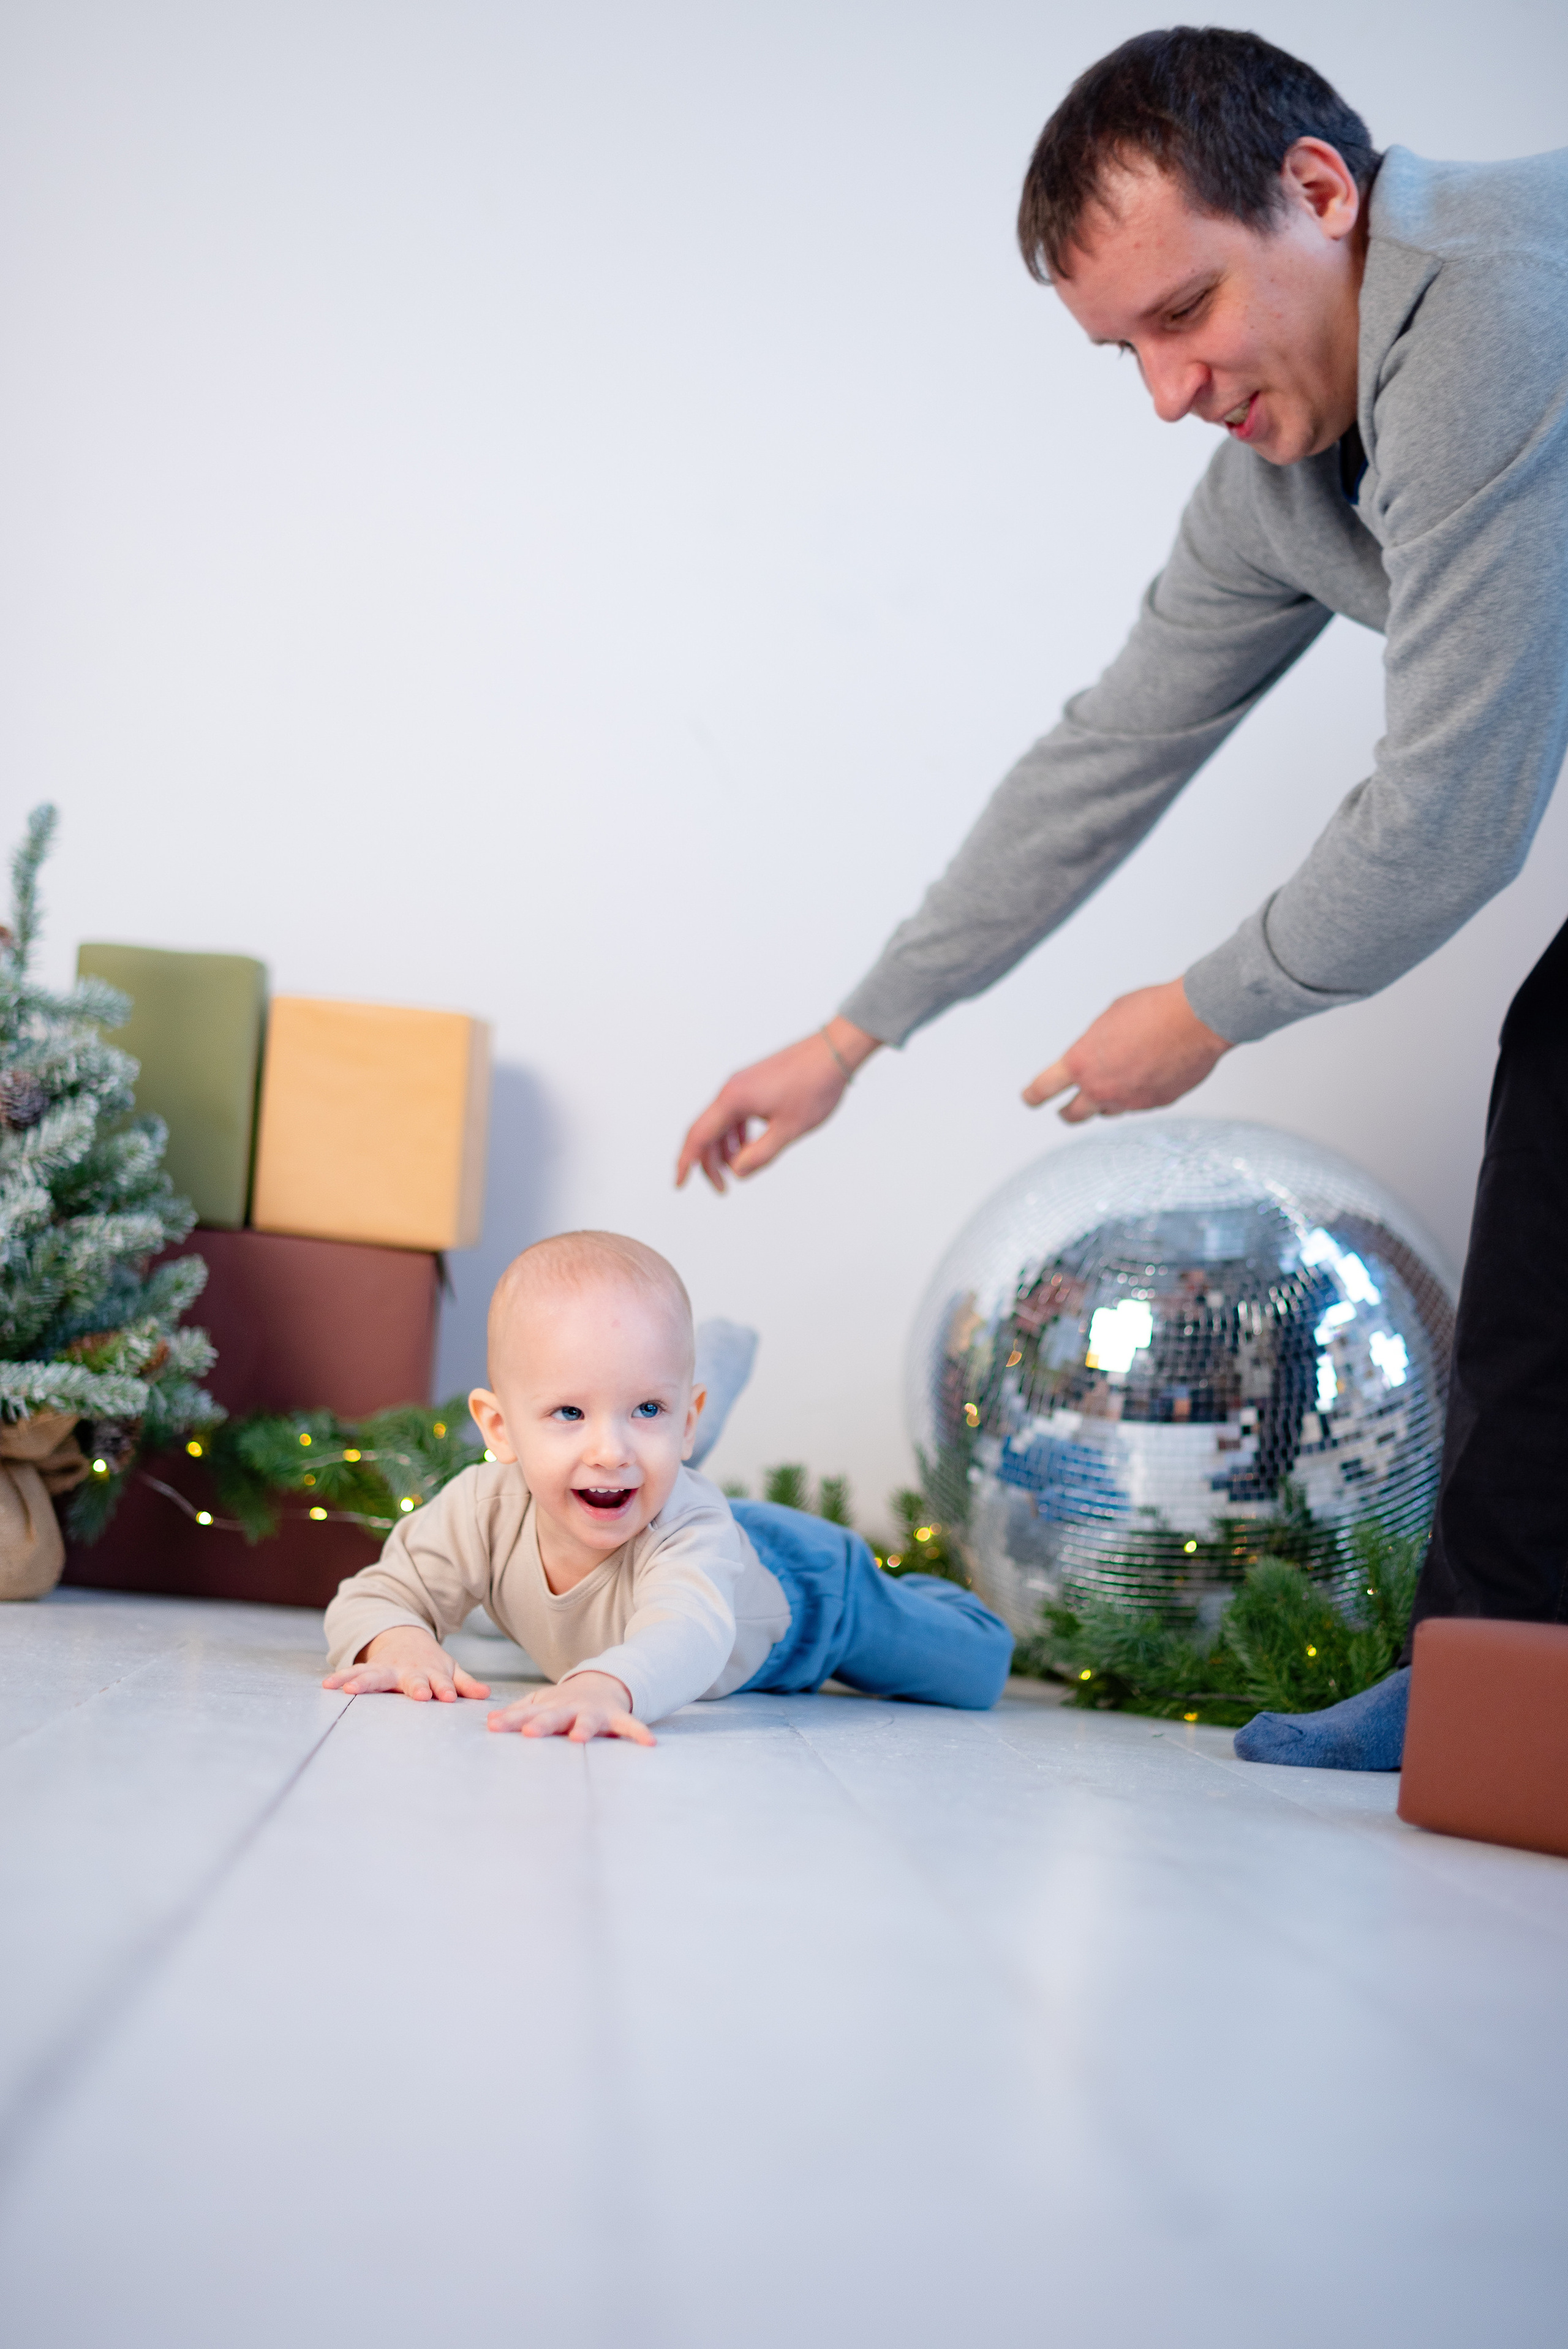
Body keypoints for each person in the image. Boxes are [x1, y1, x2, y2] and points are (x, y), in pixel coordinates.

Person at [675, 28, 1568, 1771]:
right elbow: (1106, 753)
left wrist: (1206, 1006)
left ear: (1319, 191)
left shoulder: (1490, 311)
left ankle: (1482, 1676)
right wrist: (852, 1035)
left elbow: (1451, 817)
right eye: (1124, 351)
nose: (1167, 391)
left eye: (1185, 312)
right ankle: (1484, 1683)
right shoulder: (1279, 482)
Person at [322, 1231, 1012, 1736]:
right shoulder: (482, 1507)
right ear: (499, 1428)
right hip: (681, 1521)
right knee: (652, 1486)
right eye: (569, 1413)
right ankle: (672, 1417)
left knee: (975, 1669)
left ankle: (912, 1594)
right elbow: (378, 1593)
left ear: (686, 1419)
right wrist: (400, 1643)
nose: (609, 1451)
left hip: (809, 1593)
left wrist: (606, 1686)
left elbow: (686, 1635)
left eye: (646, 1410)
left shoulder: (695, 1534)